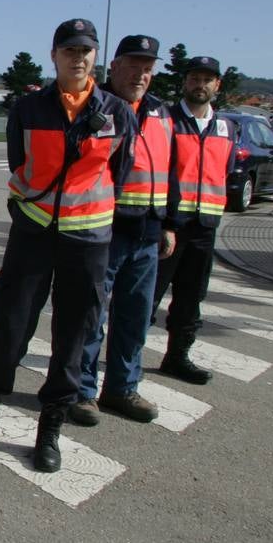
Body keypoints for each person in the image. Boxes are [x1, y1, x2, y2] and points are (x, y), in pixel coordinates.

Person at [0, 19, 134, 472]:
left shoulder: (117, 111)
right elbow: (20, 165)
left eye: (86, 51)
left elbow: (122, 171)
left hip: (88, 240)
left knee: (72, 340)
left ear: (95, 57)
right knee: (9, 330)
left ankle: (49, 431)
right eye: (69, 50)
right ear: (54, 55)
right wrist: (25, 213)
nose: (78, 58)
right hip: (33, 235)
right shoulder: (29, 108)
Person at [74, 35, 173, 426]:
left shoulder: (161, 113)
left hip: (148, 231)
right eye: (133, 65)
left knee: (135, 317)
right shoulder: (98, 108)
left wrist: (168, 224)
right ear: (113, 66)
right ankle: (81, 392)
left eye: (147, 68)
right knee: (91, 315)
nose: (140, 74)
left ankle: (122, 388)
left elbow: (171, 170)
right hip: (105, 228)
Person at [152, 55, 237, 385]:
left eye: (207, 80)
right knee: (148, 297)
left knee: (191, 298)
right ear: (184, 83)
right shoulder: (166, 121)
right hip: (169, 225)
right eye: (194, 79)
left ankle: (177, 357)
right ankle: (123, 362)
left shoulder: (227, 127)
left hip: (205, 227)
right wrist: (165, 222)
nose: (200, 85)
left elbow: (223, 173)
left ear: (217, 85)